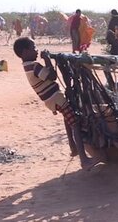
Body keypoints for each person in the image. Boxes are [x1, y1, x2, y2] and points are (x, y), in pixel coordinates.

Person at [13, 37, 99, 171]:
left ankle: (73, 147)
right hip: (55, 98)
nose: (36, 50)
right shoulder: (34, 66)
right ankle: (84, 160)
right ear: (24, 52)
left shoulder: (27, 66)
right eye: (33, 47)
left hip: (52, 99)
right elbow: (52, 76)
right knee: (75, 123)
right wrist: (47, 59)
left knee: (68, 118)